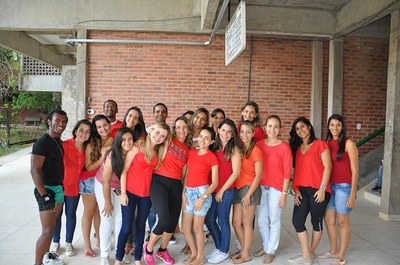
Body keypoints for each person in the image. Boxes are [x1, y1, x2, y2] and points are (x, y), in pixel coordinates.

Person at [115, 122, 170, 265]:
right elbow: (124, 171)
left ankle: (138, 258)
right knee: (126, 227)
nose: (159, 137)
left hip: (146, 195)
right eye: (157, 133)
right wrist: (123, 193)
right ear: (151, 130)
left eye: (163, 136)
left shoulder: (159, 152)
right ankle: (118, 258)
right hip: (130, 193)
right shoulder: (137, 147)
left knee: (141, 227)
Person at [143, 116, 191, 265]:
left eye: (184, 127)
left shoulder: (188, 150)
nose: (181, 130)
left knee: (172, 222)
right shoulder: (167, 140)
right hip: (159, 181)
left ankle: (162, 250)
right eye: (178, 127)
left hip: (176, 184)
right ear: (174, 129)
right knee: (163, 218)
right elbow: (152, 132)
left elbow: (185, 174)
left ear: (188, 129)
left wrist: (183, 193)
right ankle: (149, 248)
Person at [288, 116, 332, 265]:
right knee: (297, 221)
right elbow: (298, 171)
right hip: (303, 190)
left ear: (309, 127)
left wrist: (322, 189)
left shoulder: (320, 144)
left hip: (319, 190)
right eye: (297, 129)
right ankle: (306, 256)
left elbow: (328, 167)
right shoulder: (298, 149)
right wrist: (296, 189)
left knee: (316, 221)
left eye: (303, 127)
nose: (301, 130)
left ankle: (311, 251)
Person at [319, 114, 359, 265]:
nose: (335, 128)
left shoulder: (349, 144)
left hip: (344, 187)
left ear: (342, 127)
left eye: (338, 125)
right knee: (329, 220)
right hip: (330, 186)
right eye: (332, 125)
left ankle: (341, 255)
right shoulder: (326, 143)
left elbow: (355, 171)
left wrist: (352, 195)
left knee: (342, 221)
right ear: (328, 127)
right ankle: (334, 249)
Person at [31, 109, 68, 265]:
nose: (61, 124)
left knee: (51, 228)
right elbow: (34, 170)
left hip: (58, 189)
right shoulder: (42, 142)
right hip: (47, 191)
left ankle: (47, 258)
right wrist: (45, 195)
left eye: (64, 121)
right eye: (58, 120)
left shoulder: (57, 140)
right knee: (47, 232)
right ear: (49, 121)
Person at [254, 115, 292, 264]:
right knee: (262, 220)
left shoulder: (284, 147)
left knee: (274, 220)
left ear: (280, 129)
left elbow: (287, 172)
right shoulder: (259, 145)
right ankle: (266, 245)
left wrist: (284, 193)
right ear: (265, 128)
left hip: (277, 189)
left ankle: (271, 250)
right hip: (261, 187)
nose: (272, 129)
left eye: (276, 126)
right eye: (270, 126)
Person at [95, 127, 135, 265]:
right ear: (118, 141)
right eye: (123, 140)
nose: (127, 142)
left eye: (130, 139)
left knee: (120, 220)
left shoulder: (134, 152)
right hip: (104, 185)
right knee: (107, 219)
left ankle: (120, 253)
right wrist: (107, 202)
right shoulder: (113, 154)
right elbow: (106, 181)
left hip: (120, 188)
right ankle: (104, 256)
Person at [51, 119, 91, 257]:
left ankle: (69, 242)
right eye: (81, 130)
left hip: (74, 188)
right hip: (60, 187)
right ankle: (55, 242)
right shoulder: (65, 145)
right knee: (57, 216)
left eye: (87, 132)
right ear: (75, 131)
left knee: (71, 214)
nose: (83, 134)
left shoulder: (87, 149)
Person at [205, 119, 242, 264]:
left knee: (222, 220)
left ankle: (224, 251)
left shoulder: (234, 150)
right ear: (218, 130)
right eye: (223, 130)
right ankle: (221, 247)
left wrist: (222, 190)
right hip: (213, 189)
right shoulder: (214, 147)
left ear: (233, 134)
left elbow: (236, 173)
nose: (225, 134)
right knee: (209, 220)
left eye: (229, 131)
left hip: (225, 191)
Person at [182, 126, 219, 265]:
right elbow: (187, 175)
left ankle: (200, 258)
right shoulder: (191, 153)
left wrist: (202, 198)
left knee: (197, 228)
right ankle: (194, 253)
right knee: (185, 228)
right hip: (188, 192)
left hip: (202, 193)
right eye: (201, 136)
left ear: (212, 142)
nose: (203, 139)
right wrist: (183, 194)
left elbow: (215, 183)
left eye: (207, 138)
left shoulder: (212, 157)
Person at [80, 114, 114, 257]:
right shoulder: (91, 143)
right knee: (89, 212)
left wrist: (109, 148)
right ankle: (87, 245)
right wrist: (102, 157)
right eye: (99, 127)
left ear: (109, 125)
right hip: (89, 180)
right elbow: (88, 167)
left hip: (103, 180)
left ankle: (100, 239)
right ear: (96, 129)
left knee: (98, 212)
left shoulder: (112, 139)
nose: (103, 129)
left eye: (105, 125)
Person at [231, 121, 263, 264]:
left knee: (247, 223)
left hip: (250, 189)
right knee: (236, 222)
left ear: (253, 133)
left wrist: (248, 195)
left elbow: (258, 175)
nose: (245, 135)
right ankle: (245, 250)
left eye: (248, 132)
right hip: (238, 187)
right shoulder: (239, 149)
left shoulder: (256, 150)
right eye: (242, 132)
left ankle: (245, 254)